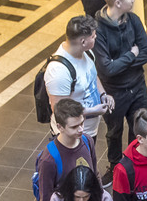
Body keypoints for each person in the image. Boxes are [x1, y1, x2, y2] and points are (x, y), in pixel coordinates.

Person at [93, 0, 147, 167]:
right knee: (114, 132)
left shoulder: (133, 20)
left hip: (137, 87)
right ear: (118, 3)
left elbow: (146, 54)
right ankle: (114, 166)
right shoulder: (98, 29)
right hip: (114, 92)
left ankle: (134, 164)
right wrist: (131, 55)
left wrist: (118, 63)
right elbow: (107, 69)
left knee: (139, 128)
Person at [44, 16, 110, 144]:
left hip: (89, 131)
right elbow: (61, 110)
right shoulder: (58, 71)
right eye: (93, 36)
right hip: (71, 137)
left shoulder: (87, 52)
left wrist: (103, 94)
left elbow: (92, 75)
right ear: (83, 41)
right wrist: (94, 111)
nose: (96, 37)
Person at [35, 97, 100, 201]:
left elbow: (95, 173)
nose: (81, 129)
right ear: (59, 127)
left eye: (82, 123)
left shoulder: (87, 140)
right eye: (74, 127)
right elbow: (46, 200)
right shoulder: (49, 160)